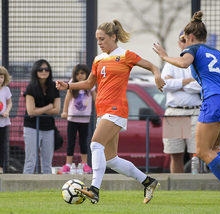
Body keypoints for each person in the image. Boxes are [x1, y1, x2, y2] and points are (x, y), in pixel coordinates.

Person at [56, 19, 165, 204]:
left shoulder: (125, 55)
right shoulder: (98, 59)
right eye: (97, 39)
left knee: (95, 144)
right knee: (111, 159)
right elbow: (90, 84)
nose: (99, 42)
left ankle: (95, 189)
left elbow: (152, 66)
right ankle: (147, 182)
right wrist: (68, 85)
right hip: (103, 111)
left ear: (113, 37)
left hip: (117, 108)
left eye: (102, 39)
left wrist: (157, 76)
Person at [153, 11, 220, 206]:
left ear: (190, 37)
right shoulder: (219, 54)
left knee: (201, 151)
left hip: (214, 100)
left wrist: (165, 56)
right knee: (215, 148)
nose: (184, 43)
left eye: (184, 39)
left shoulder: (194, 48)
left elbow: (183, 63)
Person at [161, 30, 202, 173]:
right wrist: (188, 82)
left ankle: (196, 187)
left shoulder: (198, 62)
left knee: (196, 154)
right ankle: (176, 190)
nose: (185, 44)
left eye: (187, 41)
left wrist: (177, 83)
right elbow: (164, 85)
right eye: (182, 41)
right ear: (179, 43)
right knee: (175, 154)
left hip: (195, 111)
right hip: (174, 111)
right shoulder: (170, 62)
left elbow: (200, 86)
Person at [23, 59, 61, 174]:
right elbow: (31, 112)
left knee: (47, 163)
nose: (43, 71)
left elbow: (57, 110)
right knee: (30, 161)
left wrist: (39, 110)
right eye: (40, 69)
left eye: (46, 69)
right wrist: (48, 107)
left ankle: (48, 190)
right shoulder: (30, 87)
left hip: (49, 128)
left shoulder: (54, 87)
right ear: (35, 71)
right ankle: (25, 189)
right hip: (31, 127)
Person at [60, 64, 96, 174]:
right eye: (77, 74)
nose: (80, 76)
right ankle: (68, 164)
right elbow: (67, 98)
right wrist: (65, 111)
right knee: (71, 142)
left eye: (82, 73)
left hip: (84, 119)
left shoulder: (90, 85)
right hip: (72, 119)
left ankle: (84, 163)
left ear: (86, 74)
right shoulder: (72, 84)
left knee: (84, 142)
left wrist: (101, 110)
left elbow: (96, 98)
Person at [0, 66, 12, 174]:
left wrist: (7, 111)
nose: (0, 79)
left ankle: (0, 167)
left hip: (2, 122)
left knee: (2, 144)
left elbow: (9, 103)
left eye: (1, 77)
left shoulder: (6, 90)